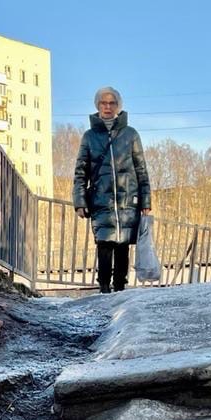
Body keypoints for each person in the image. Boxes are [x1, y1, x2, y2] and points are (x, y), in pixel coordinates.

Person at [72, 87, 151, 293]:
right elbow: (81, 171)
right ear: (97, 106)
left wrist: (146, 201)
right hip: (101, 199)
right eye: (103, 103)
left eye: (112, 103)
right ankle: (104, 287)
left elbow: (141, 169)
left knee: (123, 244)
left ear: (118, 106)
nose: (107, 107)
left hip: (127, 199)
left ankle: (120, 288)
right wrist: (80, 202)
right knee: (105, 243)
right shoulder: (89, 137)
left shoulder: (131, 134)